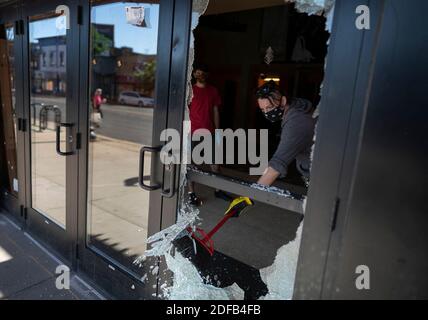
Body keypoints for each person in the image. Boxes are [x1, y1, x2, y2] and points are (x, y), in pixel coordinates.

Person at [255, 81, 315, 186]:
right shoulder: (298, 106)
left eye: (269, 108)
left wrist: (249, 195)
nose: (266, 113)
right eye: (262, 110)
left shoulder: (297, 122)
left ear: (283, 101)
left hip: (322, 176)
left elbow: (278, 164)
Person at [187, 65, 226, 205]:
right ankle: (191, 194)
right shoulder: (190, 91)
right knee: (191, 164)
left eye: (203, 73)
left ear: (206, 75)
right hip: (192, 132)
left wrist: (218, 131)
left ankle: (218, 190)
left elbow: (215, 111)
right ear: (194, 74)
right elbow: (184, 111)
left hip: (210, 132)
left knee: (215, 164)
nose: (200, 75)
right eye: (197, 73)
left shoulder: (213, 91)